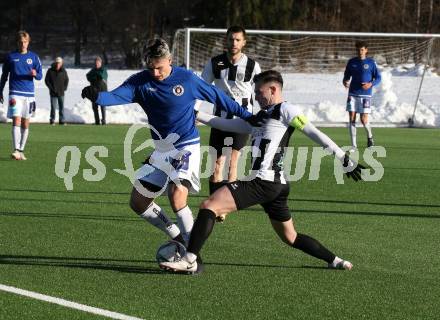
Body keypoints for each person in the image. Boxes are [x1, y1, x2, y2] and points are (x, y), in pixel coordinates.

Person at [160, 70, 366, 274]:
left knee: (209, 206)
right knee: (290, 237)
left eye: (259, 92)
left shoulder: (286, 110)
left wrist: (343, 157)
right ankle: (335, 260)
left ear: (274, 89)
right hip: (276, 186)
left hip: (263, 181)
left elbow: (314, 132)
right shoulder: (262, 115)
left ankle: (189, 260)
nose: (256, 97)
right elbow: (231, 124)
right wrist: (198, 114)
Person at [81, 39, 261, 268]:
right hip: (162, 150)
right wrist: (96, 95)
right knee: (138, 201)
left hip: (186, 145)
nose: (155, 72)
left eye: (160, 67)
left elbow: (220, 98)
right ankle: (180, 238)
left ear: (170, 60)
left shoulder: (186, 79)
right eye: (151, 67)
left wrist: (247, 115)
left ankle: (192, 257)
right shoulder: (140, 82)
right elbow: (114, 97)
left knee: (176, 195)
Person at [201, 26, 261, 220]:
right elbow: (201, 87)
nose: (233, 43)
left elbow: (261, 91)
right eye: (230, 39)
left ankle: (224, 208)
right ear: (225, 41)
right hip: (220, 120)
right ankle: (213, 206)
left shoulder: (253, 66)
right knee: (217, 164)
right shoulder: (214, 63)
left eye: (237, 40)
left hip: (242, 121)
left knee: (232, 163)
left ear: (244, 42)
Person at [0, 30, 42, 161]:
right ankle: (16, 150)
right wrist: (0, 90)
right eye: (20, 42)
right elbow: (4, 76)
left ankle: (21, 150)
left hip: (29, 95)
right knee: (16, 120)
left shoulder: (34, 57)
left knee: (25, 123)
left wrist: (36, 74)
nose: (23, 44)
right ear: (17, 43)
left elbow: (40, 76)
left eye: (25, 42)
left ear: (28, 42)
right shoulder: (10, 57)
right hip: (15, 94)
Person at [343, 41, 381, 152]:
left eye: (362, 49)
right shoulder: (352, 62)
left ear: (366, 50)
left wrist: (370, 84)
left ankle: (370, 137)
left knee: (364, 119)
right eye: (358, 50)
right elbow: (346, 75)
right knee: (352, 118)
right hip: (353, 94)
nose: (360, 52)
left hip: (365, 95)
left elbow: (378, 78)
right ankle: (353, 145)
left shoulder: (371, 62)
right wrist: (345, 81)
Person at [45, 57, 69, 125]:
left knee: (61, 107)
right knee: (53, 107)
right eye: (57, 63)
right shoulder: (50, 70)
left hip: (61, 92)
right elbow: (47, 81)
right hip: (53, 92)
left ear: (61, 63)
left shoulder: (64, 71)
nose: (58, 64)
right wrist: (51, 88)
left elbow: (66, 80)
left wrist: (64, 88)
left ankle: (62, 120)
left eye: (59, 63)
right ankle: (52, 120)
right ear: (55, 63)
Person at [86, 56, 108, 125]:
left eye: (98, 63)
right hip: (94, 91)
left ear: (100, 63)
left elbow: (101, 76)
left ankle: (103, 121)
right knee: (95, 107)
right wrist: (95, 76)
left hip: (102, 91)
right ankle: (97, 121)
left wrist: (94, 76)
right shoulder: (93, 70)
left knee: (102, 106)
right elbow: (88, 76)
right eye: (96, 63)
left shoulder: (103, 69)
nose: (96, 64)